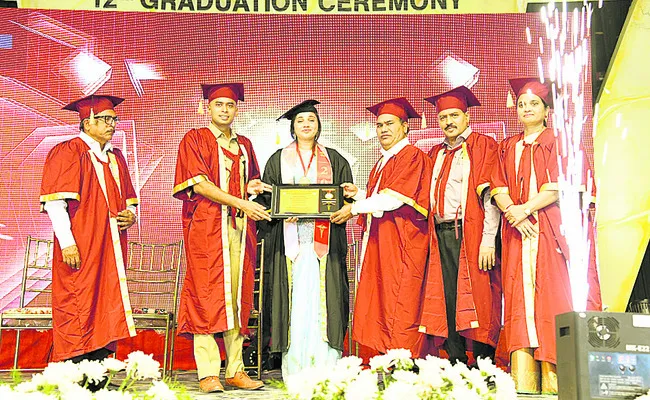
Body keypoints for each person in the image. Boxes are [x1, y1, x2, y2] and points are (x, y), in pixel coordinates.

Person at [490, 78, 602, 394]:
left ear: (546, 109)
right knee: (518, 299)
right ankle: (524, 378)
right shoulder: (507, 146)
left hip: (550, 230)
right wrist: (513, 212)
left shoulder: (558, 140)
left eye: (533, 104)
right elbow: (497, 186)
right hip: (518, 232)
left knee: (554, 296)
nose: (526, 109)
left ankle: (555, 378)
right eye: (522, 104)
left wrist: (524, 209)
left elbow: (560, 186)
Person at [173, 83, 270, 393]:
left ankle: (235, 369)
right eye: (219, 105)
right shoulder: (195, 138)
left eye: (230, 105)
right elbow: (200, 185)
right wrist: (241, 201)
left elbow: (249, 180)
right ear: (208, 108)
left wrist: (253, 188)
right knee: (206, 295)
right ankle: (208, 373)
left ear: (237, 109)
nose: (225, 110)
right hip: (207, 228)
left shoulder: (244, 144)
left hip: (240, 229)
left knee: (238, 297)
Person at [256, 100, 354, 378]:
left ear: (319, 125)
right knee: (295, 301)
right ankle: (295, 366)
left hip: (325, 244)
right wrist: (276, 209)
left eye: (311, 119)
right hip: (290, 246)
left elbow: (346, 198)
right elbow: (267, 200)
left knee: (325, 300)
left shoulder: (334, 159)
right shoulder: (278, 159)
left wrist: (350, 202)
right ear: (293, 127)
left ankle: (327, 365)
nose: (306, 124)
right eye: (300, 120)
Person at [40, 95, 138, 370]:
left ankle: (98, 373)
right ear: (87, 122)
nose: (112, 124)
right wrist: (67, 243)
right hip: (81, 244)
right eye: (105, 119)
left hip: (110, 246)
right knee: (78, 302)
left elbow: (129, 200)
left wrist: (131, 215)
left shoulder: (116, 157)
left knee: (107, 302)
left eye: (114, 119)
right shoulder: (68, 151)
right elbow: (55, 203)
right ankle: (76, 371)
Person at [331, 97, 432, 357]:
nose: (384, 129)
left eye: (390, 123)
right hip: (384, 240)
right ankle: (385, 359)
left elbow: (393, 199)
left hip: (403, 242)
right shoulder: (383, 161)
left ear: (405, 126)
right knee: (383, 300)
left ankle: (404, 361)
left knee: (401, 301)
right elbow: (383, 197)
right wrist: (359, 194)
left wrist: (353, 208)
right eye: (379, 125)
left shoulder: (411, 156)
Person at [419, 86, 502, 365]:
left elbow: (490, 197)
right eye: (443, 117)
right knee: (447, 297)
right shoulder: (435, 153)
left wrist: (488, 239)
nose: (449, 122)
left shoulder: (482, 145)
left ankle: (483, 361)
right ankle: (455, 359)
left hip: (471, 233)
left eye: (454, 115)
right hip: (440, 234)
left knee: (479, 295)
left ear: (467, 117)